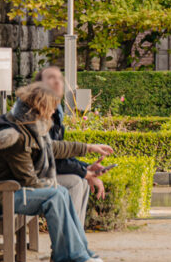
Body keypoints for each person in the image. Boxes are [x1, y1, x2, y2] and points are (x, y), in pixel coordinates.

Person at [0, 81, 108, 262]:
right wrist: (51, 186)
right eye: (52, 108)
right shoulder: (16, 136)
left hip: (11, 191)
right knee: (55, 195)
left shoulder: (28, 126)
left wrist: (88, 148)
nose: (54, 113)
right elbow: (29, 181)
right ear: (40, 107)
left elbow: (53, 147)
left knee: (60, 191)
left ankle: (79, 253)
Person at [13, 64, 110, 226]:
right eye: (51, 78)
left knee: (82, 181)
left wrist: (86, 168)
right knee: (75, 182)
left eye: (59, 78)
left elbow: (59, 154)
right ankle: (68, 244)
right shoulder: (31, 112)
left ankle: (74, 240)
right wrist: (84, 171)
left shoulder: (55, 110)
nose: (57, 82)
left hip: (39, 172)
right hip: (26, 178)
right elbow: (50, 155)